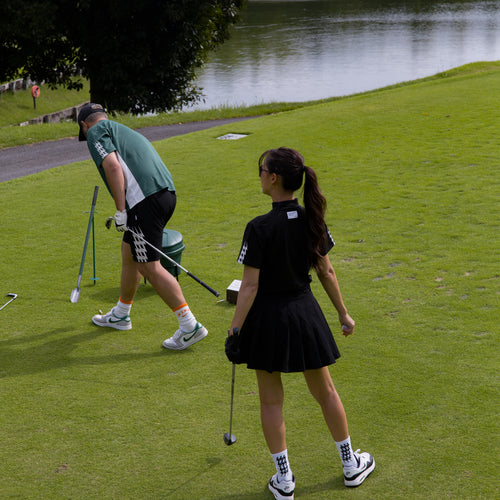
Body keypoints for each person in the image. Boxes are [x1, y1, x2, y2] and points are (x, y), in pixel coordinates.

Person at [225, 147, 374, 499]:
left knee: (270, 403)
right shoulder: (312, 220)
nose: (259, 174)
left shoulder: (258, 227)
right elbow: (326, 270)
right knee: (326, 393)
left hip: (267, 320)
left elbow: (250, 286)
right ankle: (351, 465)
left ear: (273, 178)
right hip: (305, 316)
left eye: (261, 169)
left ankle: (285, 480)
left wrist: (234, 331)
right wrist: (343, 313)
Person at [77, 102, 207, 350]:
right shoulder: (122, 129)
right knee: (129, 253)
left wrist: (121, 211)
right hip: (165, 195)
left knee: (149, 266)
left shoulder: (95, 132)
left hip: (144, 202)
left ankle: (190, 326)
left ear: (84, 125)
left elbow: (113, 166)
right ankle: (121, 314)